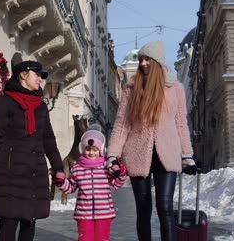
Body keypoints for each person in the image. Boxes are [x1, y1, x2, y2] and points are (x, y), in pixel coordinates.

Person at [106, 40, 198, 241]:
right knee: (143, 209)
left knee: (165, 207)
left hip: (168, 153)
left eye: (147, 59)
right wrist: (113, 155)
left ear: (157, 61)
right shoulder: (131, 89)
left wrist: (187, 156)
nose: (143, 63)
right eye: (141, 59)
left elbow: (181, 124)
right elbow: (122, 125)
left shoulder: (176, 89)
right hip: (138, 153)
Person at [0, 60, 65, 241]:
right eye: (37, 75)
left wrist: (58, 167)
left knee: (29, 221)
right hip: (11, 171)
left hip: (34, 171)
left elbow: (48, 139)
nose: (40, 80)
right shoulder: (6, 102)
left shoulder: (41, 106)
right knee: (9, 220)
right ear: (23, 74)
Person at [55, 129, 127, 241]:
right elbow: (70, 187)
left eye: (95, 150)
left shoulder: (105, 168)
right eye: (88, 149)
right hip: (84, 215)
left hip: (104, 214)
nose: (91, 152)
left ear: (101, 150)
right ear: (82, 150)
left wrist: (121, 172)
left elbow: (117, 184)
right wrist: (61, 182)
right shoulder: (77, 168)